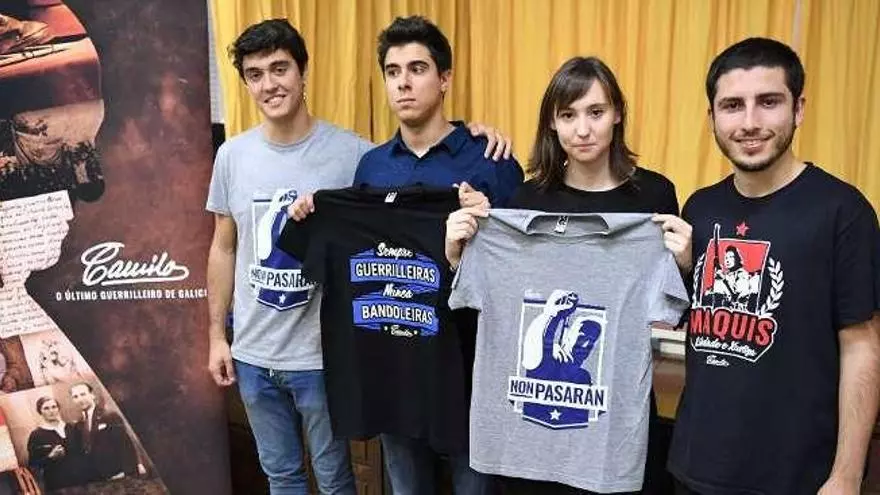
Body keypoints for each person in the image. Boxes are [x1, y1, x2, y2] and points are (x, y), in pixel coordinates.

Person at [206, 18, 512, 495]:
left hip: (458, 372)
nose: (404, 83)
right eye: (393, 72)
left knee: (355, 479)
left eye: (417, 69)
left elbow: (516, 265)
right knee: (310, 478)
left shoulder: (474, 159)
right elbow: (230, 246)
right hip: (381, 366)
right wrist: (216, 333)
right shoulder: (369, 165)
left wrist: (481, 175)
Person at [445, 56, 692, 494]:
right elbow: (491, 304)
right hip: (529, 436)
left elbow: (673, 308)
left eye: (596, 112)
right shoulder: (526, 200)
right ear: (552, 123)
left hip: (613, 425)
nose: (583, 130)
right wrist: (459, 254)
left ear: (617, 114)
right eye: (568, 115)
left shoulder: (653, 196)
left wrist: (685, 264)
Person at [668, 37, 880, 495]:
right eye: (732, 106)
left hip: (796, 477)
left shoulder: (844, 212)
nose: (749, 122)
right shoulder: (700, 209)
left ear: (798, 109)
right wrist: (685, 269)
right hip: (694, 468)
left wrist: (847, 475)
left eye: (768, 102)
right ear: (711, 117)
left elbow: (862, 346)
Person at [69, 382, 143, 483]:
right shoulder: (79, 424)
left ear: (92, 395)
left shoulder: (109, 416)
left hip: (118, 474)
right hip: (97, 477)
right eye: (75, 397)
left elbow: (125, 445)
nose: (80, 399)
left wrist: (127, 472)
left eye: (83, 394)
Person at [26, 396, 83, 490]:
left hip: (81, 479)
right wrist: (50, 457)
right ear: (40, 411)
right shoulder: (36, 435)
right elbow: (33, 465)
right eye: (46, 408)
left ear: (58, 409)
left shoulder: (72, 427)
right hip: (57, 483)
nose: (51, 411)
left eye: (54, 407)